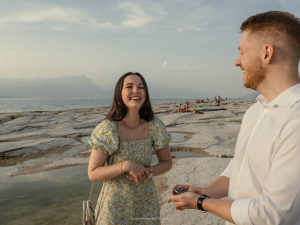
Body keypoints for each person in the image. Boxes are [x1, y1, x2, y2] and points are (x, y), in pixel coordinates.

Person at [167, 11, 300, 225]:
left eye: (242, 52)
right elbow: (240, 164)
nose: (237, 62)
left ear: (267, 53)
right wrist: (208, 191)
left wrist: (201, 202)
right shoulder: (255, 111)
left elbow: (273, 215)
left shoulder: (296, 119)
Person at [88, 72, 172, 225]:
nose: (136, 91)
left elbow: (167, 162)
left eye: (141, 87)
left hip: (146, 205)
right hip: (113, 208)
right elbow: (93, 174)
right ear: (119, 94)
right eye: (129, 87)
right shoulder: (108, 129)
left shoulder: (154, 126)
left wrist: (149, 171)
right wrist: (125, 166)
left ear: (145, 94)